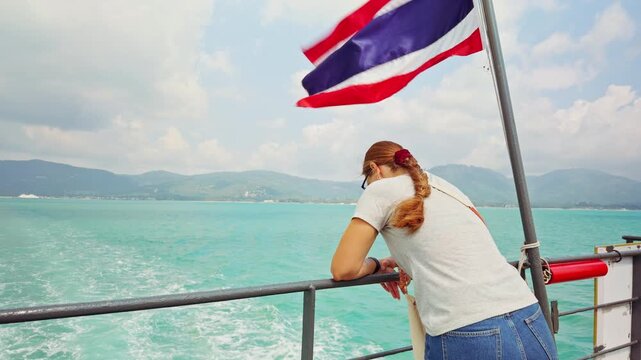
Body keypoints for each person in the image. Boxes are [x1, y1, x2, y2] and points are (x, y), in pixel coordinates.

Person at [331, 141, 558, 360]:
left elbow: (343, 269)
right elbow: (464, 244)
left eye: (366, 180)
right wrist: (406, 260)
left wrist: (377, 265)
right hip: (528, 315)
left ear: (374, 169)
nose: (368, 186)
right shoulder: (446, 186)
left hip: (467, 329)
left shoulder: (379, 190)